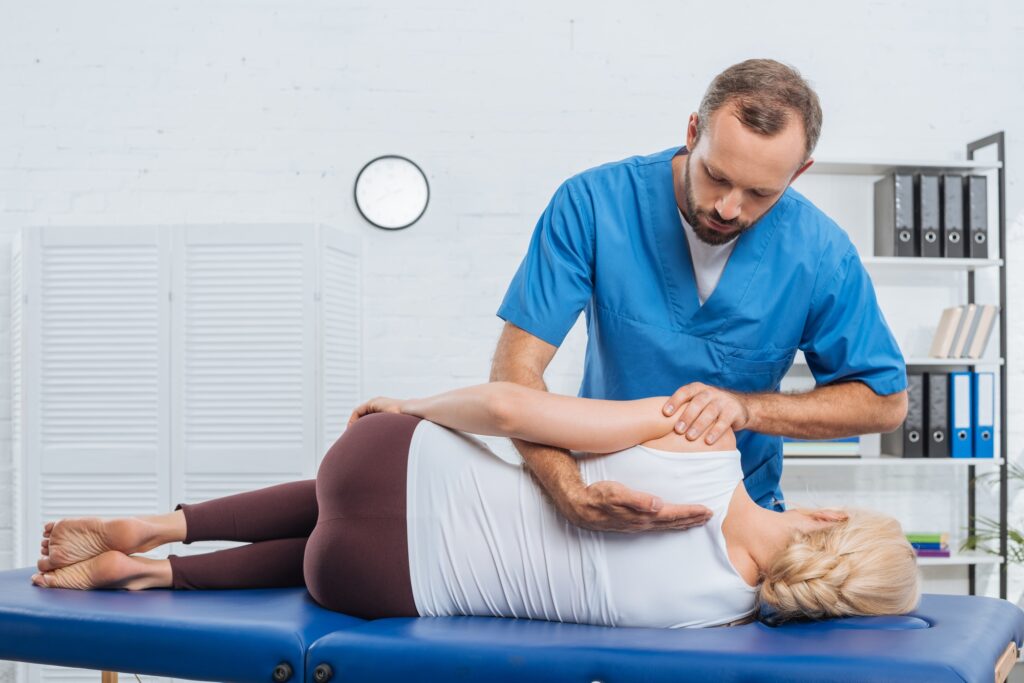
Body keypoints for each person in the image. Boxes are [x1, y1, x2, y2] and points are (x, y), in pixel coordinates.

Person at [30, 382, 920, 628]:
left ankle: (164, 521)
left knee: (381, 487)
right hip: (367, 583)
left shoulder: (702, 440)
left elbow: (502, 409)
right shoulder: (715, 619)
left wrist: (409, 405)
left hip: (375, 468)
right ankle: (153, 571)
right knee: (352, 541)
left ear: (829, 518)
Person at [490, 58, 909, 534]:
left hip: (739, 520)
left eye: (759, 192)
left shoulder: (820, 253)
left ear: (798, 173)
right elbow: (514, 377)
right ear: (693, 131)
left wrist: (748, 408)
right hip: (605, 498)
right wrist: (568, 491)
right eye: (716, 175)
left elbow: (883, 402)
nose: (729, 208)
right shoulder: (592, 204)